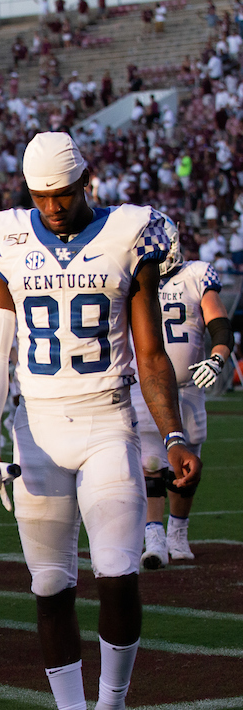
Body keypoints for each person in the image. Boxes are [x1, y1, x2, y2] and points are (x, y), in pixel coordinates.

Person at [0, 133, 200, 710]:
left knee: (119, 575)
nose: (54, 207)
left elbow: (150, 352)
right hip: (36, 431)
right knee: (50, 588)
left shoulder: (132, 232)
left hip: (106, 424)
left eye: (64, 194)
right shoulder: (4, 236)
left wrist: (174, 434)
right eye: (42, 196)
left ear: (87, 181)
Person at [133, 216, 232, 567]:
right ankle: (154, 535)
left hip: (188, 388)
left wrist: (218, 359)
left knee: (187, 467)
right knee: (149, 462)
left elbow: (219, 324)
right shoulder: (131, 277)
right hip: (145, 386)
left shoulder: (196, 274)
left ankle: (178, 529)